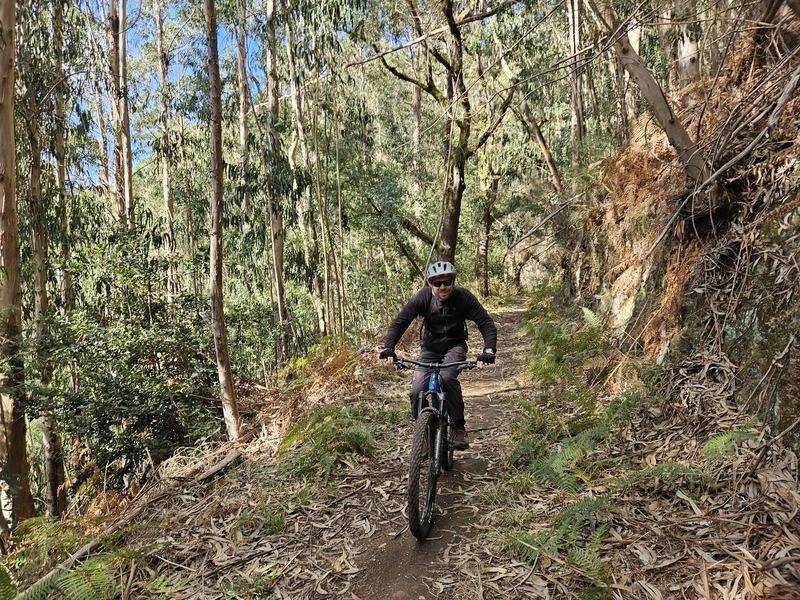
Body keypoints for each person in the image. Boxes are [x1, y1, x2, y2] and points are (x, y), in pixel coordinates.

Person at [378, 260, 497, 450]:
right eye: (437, 283)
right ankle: (424, 431)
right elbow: (401, 322)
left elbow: (485, 323)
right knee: (417, 391)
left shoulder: (463, 297)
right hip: (430, 349)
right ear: (429, 283)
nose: (443, 287)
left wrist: (488, 350)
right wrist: (388, 347)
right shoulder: (423, 297)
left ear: (453, 281)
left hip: (455, 347)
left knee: (447, 377)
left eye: (447, 282)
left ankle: (458, 427)